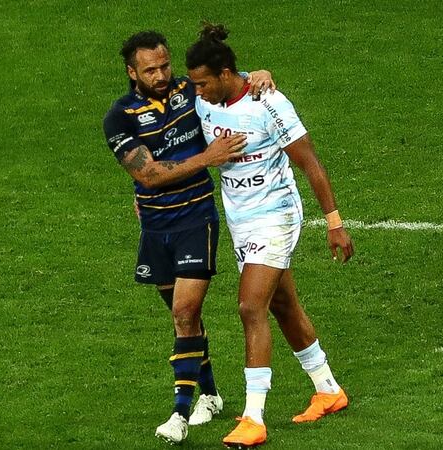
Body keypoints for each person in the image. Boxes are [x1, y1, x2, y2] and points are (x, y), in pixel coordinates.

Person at [185, 24, 355, 448]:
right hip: (240, 219)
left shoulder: (269, 103)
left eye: (204, 83)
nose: (198, 91)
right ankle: (329, 389)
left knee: (249, 305)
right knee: (282, 304)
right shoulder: (201, 97)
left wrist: (334, 222)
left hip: (276, 216)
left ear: (226, 74)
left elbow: (310, 163)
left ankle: (253, 417)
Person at [102, 30, 276, 445]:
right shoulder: (120, 117)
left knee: (184, 311)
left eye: (164, 65)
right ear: (132, 72)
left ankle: (179, 413)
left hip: (197, 220)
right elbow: (148, 174)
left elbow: (230, 81)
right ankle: (211, 395)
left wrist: (260, 74)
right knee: (186, 320)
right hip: (156, 228)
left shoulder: (188, 90)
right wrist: (207, 158)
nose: (161, 74)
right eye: (150, 70)